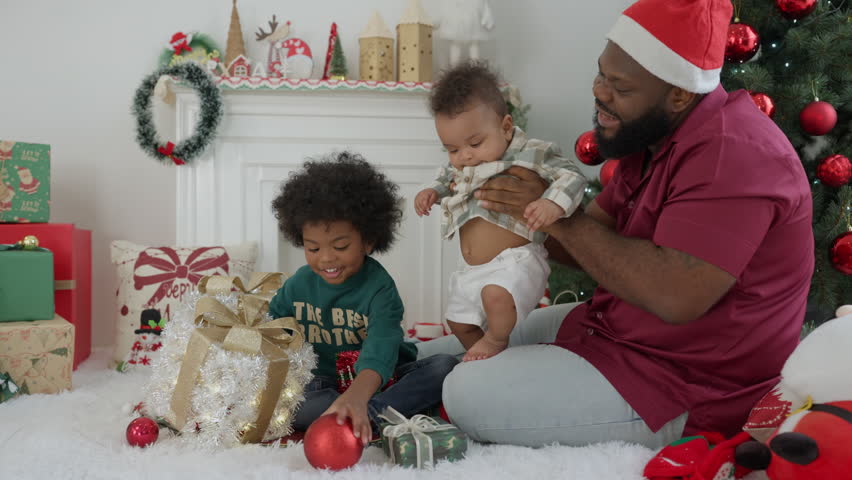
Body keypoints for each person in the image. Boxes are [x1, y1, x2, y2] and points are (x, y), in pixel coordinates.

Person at [417, 0, 814, 447]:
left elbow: (675, 295)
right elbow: (591, 241)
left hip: (683, 383)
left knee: (466, 389)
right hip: (613, 328)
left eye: (619, 87)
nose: (600, 92)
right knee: (445, 344)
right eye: (602, 73)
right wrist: (515, 204)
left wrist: (558, 218)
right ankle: (370, 373)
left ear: (679, 93)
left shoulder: (735, 153)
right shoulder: (652, 136)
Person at [269, 152, 459, 444]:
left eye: (341, 245)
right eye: (313, 248)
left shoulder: (380, 288)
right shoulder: (297, 285)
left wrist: (358, 396)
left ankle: (364, 414)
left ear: (368, 240)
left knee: (444, 367)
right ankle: (370, 418)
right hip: (323, 383)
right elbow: (272, 328)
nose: (327, 258)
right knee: (295, 404)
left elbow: (380, 350)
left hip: (382, 379)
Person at [414, 61, 587, 362]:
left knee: (496, 296)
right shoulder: (464, 165)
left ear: (506, 127)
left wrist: (552, 203)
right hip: (472, 271)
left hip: (515, 262)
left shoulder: (529, 153)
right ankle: (490, 360)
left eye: (475, 143)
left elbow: (571, 175)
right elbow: (446, 179)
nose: (465, 156)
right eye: (452, 150)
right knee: (458, 321)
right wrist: (432, 192)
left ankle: (496, 339)